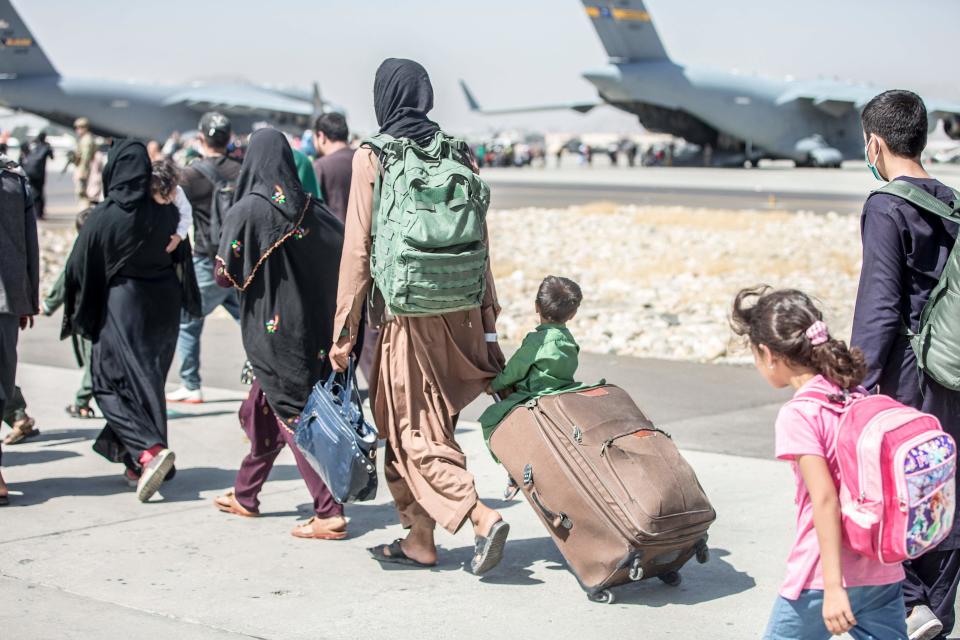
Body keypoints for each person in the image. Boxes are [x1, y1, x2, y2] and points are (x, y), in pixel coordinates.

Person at [329, 58, 509, 573]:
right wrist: (490, 323)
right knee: (427, 426)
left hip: (408, 317)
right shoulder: (458, 152)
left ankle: (478, 515)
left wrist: (343, 332)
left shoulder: (374, 156)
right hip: (464, 314)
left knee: (411, 430)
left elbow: (357, 252)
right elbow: (482, 244)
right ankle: (418, 539)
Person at [730, 286, 907, 640]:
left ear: (767, 353)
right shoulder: (854, 395)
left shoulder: (800, 414)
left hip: (821, 577)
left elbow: (825, 499)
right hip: (883, 569)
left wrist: (833, 587)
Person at [850, 89, 960, 640]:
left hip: (907, 379)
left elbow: (879, 305)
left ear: (875, 142)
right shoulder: (952, 202)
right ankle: (938, 607)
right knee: (943, 488)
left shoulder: (886, 205)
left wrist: (857, 386)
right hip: (953, 373)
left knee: (900, 490)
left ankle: (911, 610)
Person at [211, 128, 348, 540]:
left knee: (291, 414)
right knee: (263, 410)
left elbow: (223, 275)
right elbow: (342, 250)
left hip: (272, 333)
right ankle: (245, 493)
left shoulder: (248, 210)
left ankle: (328, 511)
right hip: (313, 329)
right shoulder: (311, 207)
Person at [63, 140, 199, 502]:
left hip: (125, 306)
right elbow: (181, 251)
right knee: (145, 383)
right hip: (165, 306)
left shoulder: (110, 214)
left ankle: (149, 452)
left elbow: (78, 265)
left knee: (107, 383)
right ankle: (135, 464)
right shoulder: (167, 208)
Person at [167, 112, 241, 404]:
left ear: (201, 138)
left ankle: (191, 383)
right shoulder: (243, 170)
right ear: (229, 138)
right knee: (250, 321)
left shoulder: (190, 174)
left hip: (206, 259)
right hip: (240, 259)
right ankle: (264, 377)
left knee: (189, 320)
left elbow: (174, 211)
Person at [479, 276, 587, 446]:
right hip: (563, 391)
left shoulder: (537, 341)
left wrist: (493, 386)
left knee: (491, 418)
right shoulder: (568, 339)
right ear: (573, 315)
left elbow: (515, 370)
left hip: (534, 395)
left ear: (536, 306)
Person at [0, 151, 39, 505]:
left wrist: (28, 296)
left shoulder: (15, 181)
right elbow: (29, 243)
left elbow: (29, 242)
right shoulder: (14, 181)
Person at [42, 208, 96, 419]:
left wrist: (48, 305)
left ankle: (82, 400)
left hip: (86, 315)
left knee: (93, 361)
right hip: (97, 314)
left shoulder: (81, 250)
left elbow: (65, 279)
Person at [312, 112, 355, 224]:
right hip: (368, 237)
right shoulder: (365, 159)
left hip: (336, 237)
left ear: (321, 136)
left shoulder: (320, 166)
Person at [150, 159, 192, 254]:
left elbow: (186, 214)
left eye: (173, 191)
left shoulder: (178, 192)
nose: (172, 197)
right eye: (166, 195)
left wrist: (179, 235)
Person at [21, 132, 53, 219]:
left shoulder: (33, 145)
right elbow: (52, 157)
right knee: (39, 193)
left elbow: (24, 152)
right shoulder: (46, 147)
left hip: (29, 172)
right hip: (39, 174)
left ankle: (32, 212)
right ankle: (39, 213)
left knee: (31, 191)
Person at [72, 117, 97, 209]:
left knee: (82, 194)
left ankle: (84, 216)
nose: (78, 129)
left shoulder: (87, 139)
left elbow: (86, 157)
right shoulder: (84, 139)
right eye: (77, 127)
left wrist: (82, 171)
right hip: (82, 169)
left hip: (84, 170)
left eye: (81, 127)